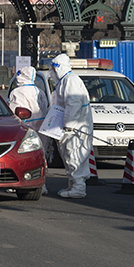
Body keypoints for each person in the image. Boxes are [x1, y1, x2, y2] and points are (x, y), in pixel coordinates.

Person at [50, 53, 93, 199]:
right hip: (69, 127)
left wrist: (68, 124)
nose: (52, 72)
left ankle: (78, 188)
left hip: (75, 128)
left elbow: (73, 104)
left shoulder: (71, 81)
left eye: (54, 69)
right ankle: (72, 185)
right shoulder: (64, 81)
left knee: (74, 155)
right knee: (69, 156)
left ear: (59, 68)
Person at [8, 65, 50, 195]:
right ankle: (41, 185)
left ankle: (16, 183)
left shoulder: (17, 92)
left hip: (24, 129)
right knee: (41, 157)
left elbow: (12, 112)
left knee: (21, 157)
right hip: (41, 129)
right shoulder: (39, 91)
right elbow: (45, 108)